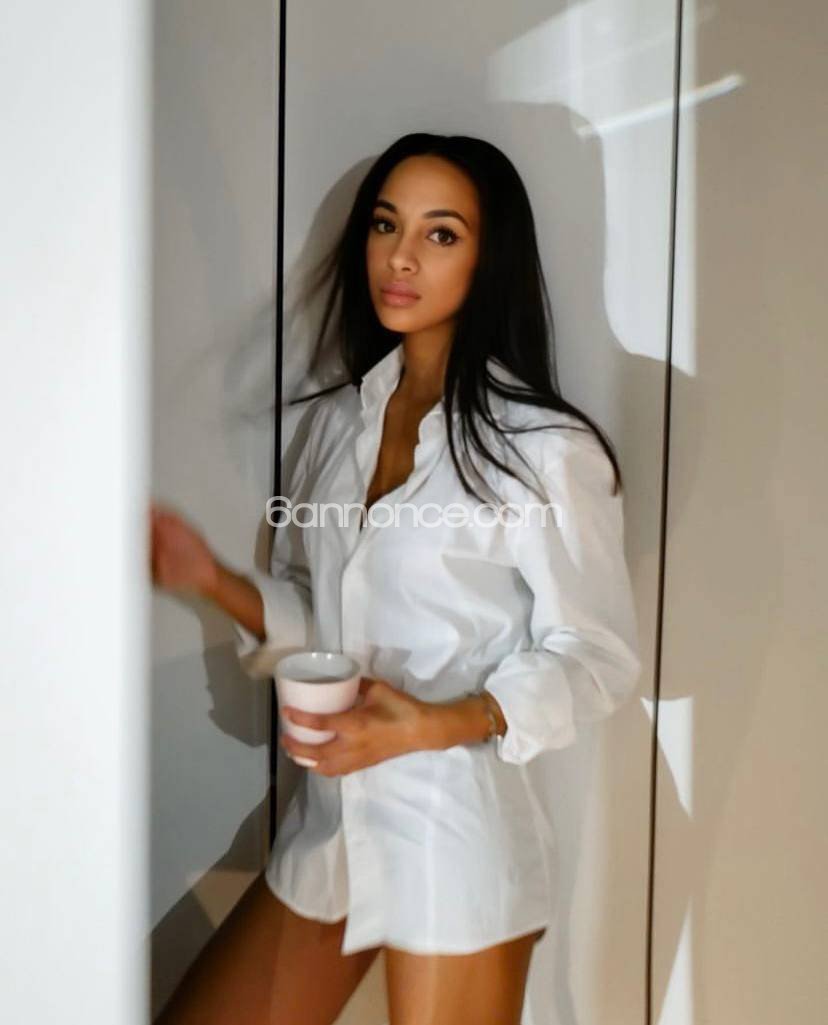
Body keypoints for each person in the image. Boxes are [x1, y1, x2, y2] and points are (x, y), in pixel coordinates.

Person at [150, 132, 642, 1025]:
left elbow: (597, 655)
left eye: (440, 233)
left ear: (489, 259)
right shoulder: (337, 425)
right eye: (386, 224)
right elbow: (321, 618)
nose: (402, 256)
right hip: (331, 829)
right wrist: (210, 578)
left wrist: (435, 721)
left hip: (454, 840)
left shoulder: (544, 450)